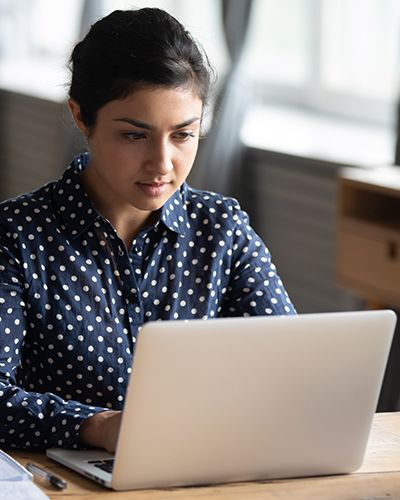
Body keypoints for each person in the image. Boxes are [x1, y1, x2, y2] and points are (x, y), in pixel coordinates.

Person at [0, 8, 296, 453]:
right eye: (134, 136)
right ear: (82, 117)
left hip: (202, 468)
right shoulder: (18, 237)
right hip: (67, 481)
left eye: (183, 135)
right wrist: (96, 426)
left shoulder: (222, 229)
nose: (162, 164)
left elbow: (290, 367)